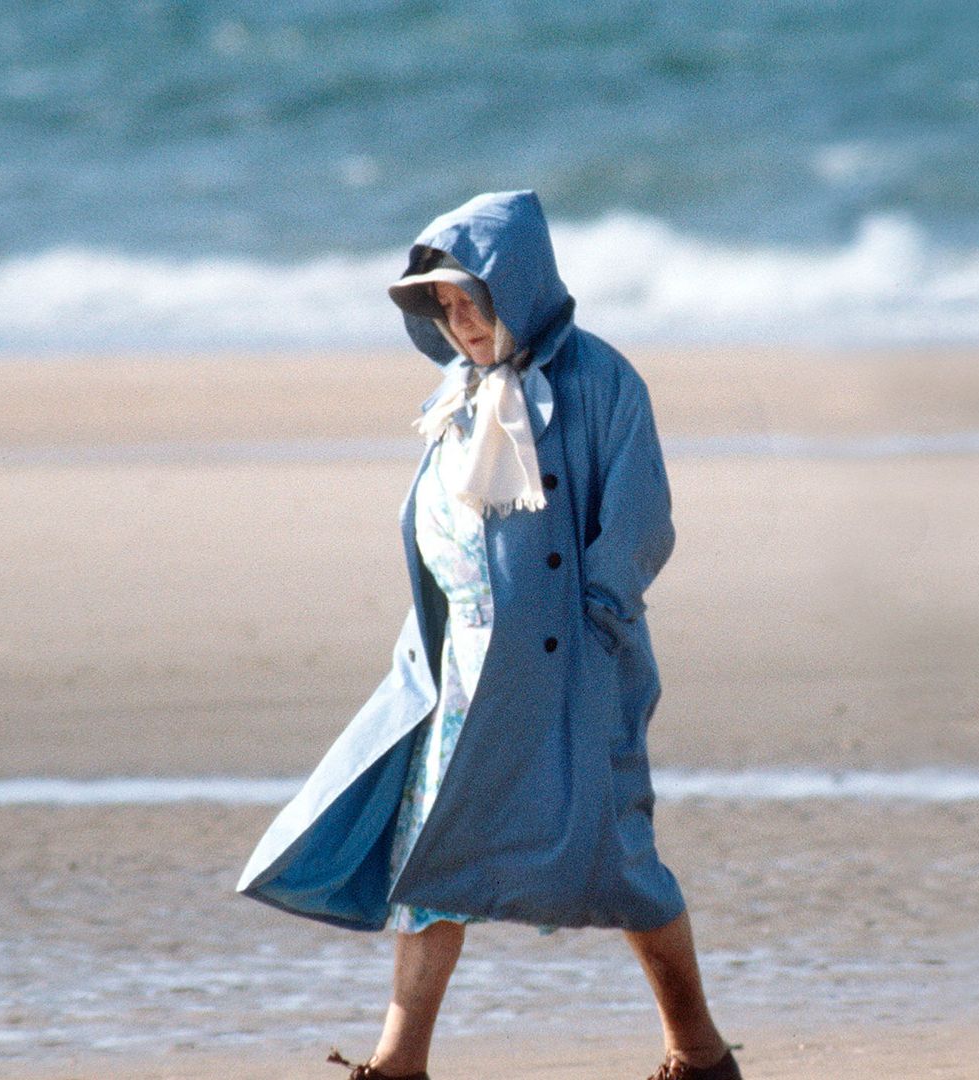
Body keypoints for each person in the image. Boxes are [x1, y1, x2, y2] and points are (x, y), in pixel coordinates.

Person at [236, 191, 739, 1080]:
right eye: (447, 307)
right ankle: (399, 1063)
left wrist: (598, 623)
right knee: (435, 859)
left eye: (476, 300)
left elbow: (639, 522)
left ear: (523, 288)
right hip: (462, 677)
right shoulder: (458, 392)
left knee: (619, 858)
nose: (463, 323)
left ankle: (696, 1050)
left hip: (574, 672)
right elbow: (443, 523)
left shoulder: (602, 382)